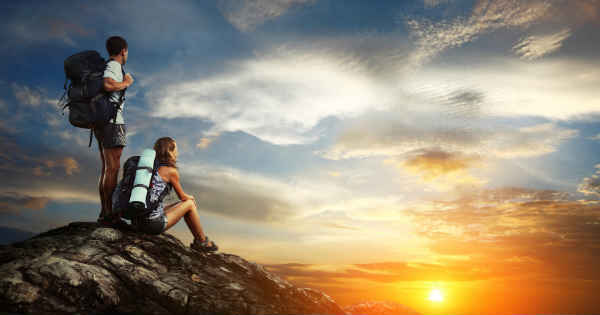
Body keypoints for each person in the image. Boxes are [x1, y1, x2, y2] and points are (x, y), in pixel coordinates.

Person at [129, 137, 219, 252]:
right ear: (170, 151)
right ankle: (202, 242)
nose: (177, 152)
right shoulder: (171, 171)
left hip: (137, 221)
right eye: (176, 149)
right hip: (152, 225)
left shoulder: (147, 168)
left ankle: (201, 241)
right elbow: (183, 197)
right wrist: (191, 197)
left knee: (180, 204)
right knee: (189, 204)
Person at [96, 36, 134, 227]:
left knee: (107, 168)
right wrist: (126, 82)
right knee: (112, 168)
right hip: (112, 122)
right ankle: (109, 214)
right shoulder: (114, 66)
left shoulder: (108, 65)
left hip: (103, 122)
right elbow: (108, 85)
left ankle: (105, 211)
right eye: (127, 51)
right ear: (123, 51)